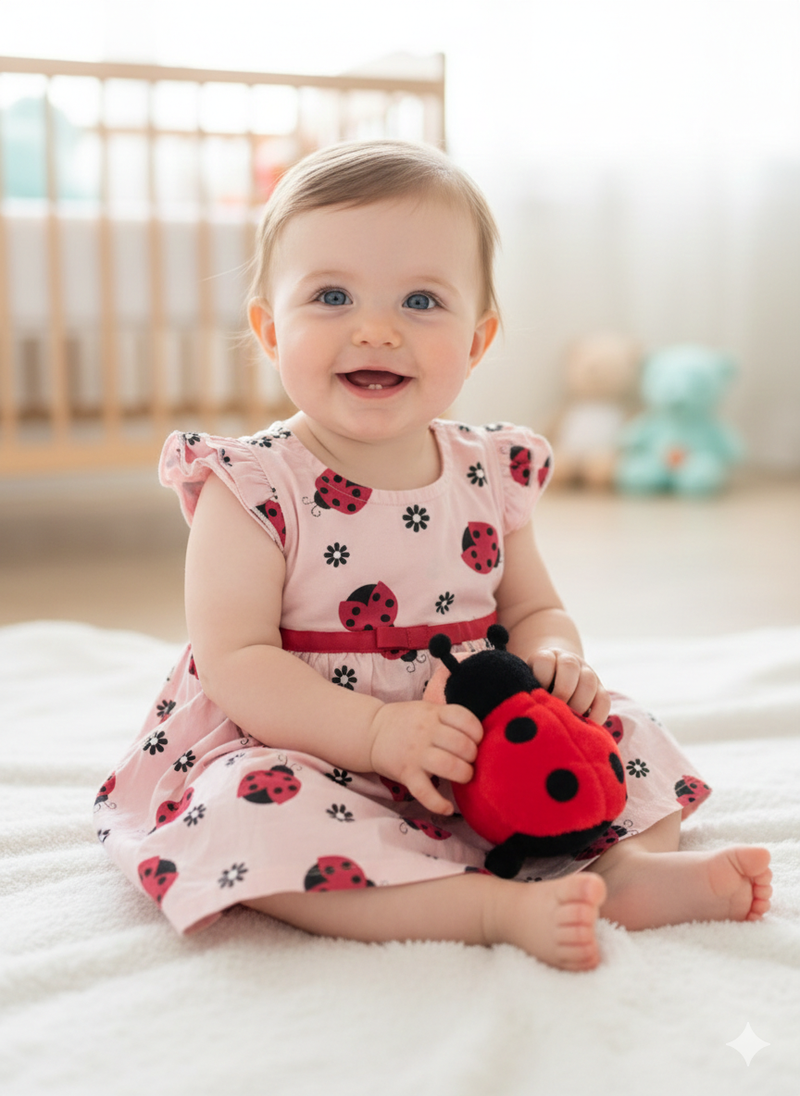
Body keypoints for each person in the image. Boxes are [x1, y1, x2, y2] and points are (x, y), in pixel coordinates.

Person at [97, 140, 771, 971]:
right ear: (271, 331)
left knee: (623, 731)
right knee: (244, 815)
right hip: (309, 741)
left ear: (478, 340)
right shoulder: (250, 486)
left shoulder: (492, 471)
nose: (375, 328)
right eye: (332, 296)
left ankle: (623, 869)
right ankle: (489, 907)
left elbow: (534, 610)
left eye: (420, 300)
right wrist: (377, 732)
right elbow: (237, 661)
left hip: (484, 738)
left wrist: (557, 661)